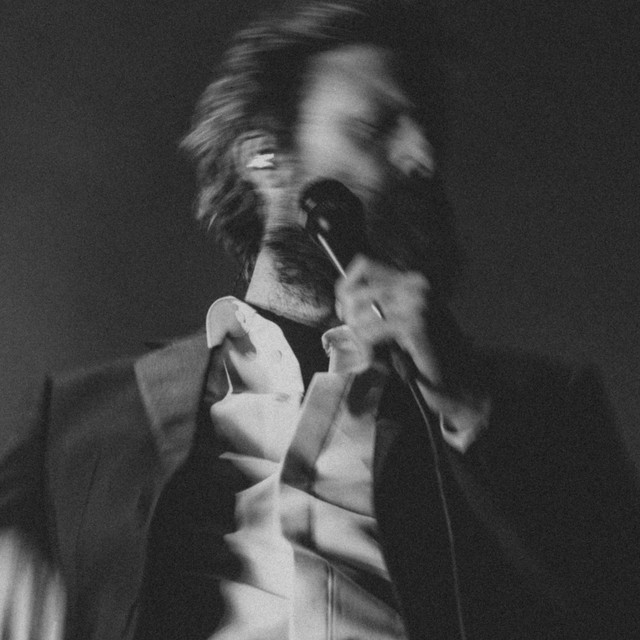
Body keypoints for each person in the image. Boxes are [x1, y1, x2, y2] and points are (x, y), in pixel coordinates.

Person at [1, 1, 640, 639]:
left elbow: (614, 598)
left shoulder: (539, 411)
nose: (421, 158)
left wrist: (467, 404)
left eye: (428, 136)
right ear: (265, 159)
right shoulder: (82, 418)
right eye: (373, 128)